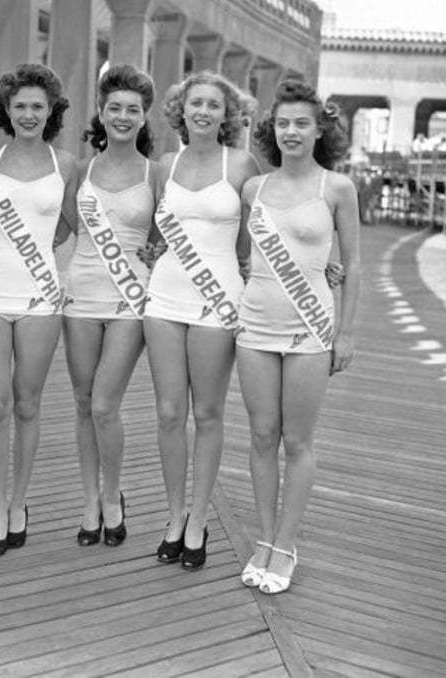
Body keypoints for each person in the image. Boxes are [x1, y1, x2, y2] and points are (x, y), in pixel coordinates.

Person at [236, 80, 360, 594]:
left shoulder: (337, 188)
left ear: (319, 130)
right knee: (262, 437)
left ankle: (287, 544)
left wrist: (345, 332)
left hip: (311, 327)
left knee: (297, 440)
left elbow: (353, 264)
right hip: (255, 326)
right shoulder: (253, 190)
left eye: (301, 123)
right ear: (273, 129)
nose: (291, 131)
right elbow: (242, 256)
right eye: (283, 123)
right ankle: (264, 538)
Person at [143, 71, 261, 568]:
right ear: (181, 110)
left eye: (215, 105)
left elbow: (251, 242)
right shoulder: (164, 165)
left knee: (208, 414)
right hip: (164, 297)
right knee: (170, 414)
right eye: (196, 103)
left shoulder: (243, 165)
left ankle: (199, 520)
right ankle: (174, 516)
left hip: (218, 300)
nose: (204, 112)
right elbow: (151, 234)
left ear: (226, 115)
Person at [0, 64, 78, 556]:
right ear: (5, 111)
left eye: (38, 106)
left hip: (41, 295)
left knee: (28, 404)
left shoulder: (67, 164)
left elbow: (78, 222)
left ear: (50, 111)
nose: (28, 114)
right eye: (20, 106)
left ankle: (20, 501)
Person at [63, 65, 160, 548]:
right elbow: (56, 227)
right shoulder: (80, 170)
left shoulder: (156, 174)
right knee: (83, 404)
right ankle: (89, 501)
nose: (123, 116)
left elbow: (168, 241)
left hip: (130, 297)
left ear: (145, 118)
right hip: (80, 292)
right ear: (100, 114)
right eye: (114, 108)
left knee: (105, 403)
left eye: (133, 110)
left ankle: (114, 493)